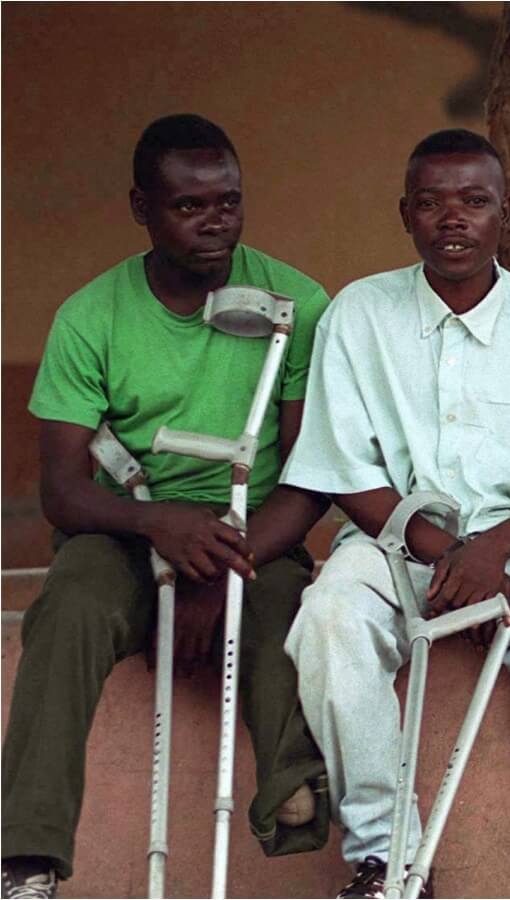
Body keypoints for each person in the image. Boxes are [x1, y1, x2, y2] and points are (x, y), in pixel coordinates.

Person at [280, 129, 510, 898]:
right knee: (327, 618)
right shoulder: (358, 314)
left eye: (474, 202)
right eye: (431, 204)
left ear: (504, 212)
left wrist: (489, 555)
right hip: (392, 541)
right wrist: (445, 554)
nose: (453, 220)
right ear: (406, 216)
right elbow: (343, 468)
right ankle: (386, 858)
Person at [1, 114, 332, 900]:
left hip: (254, 530)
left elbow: (313, 473)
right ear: (141, 208)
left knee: (289, 601)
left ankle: (290, 795)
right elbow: (63, 490)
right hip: (124, 525)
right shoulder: (91, 317)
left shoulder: (300, 304)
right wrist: (156, 525)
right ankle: (28, 855)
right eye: (188, 206)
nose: (214, 221)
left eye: (229, 201)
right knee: (70, 603)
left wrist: (220, 569)